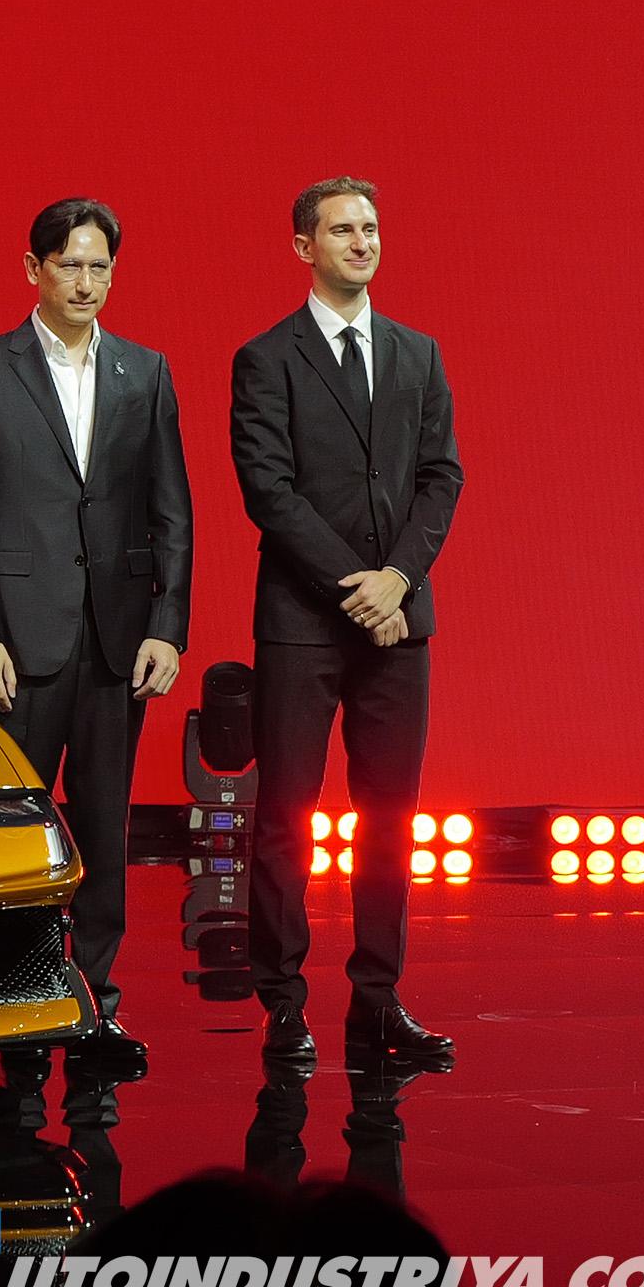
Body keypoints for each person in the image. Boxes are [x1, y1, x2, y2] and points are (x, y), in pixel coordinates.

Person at [0, 197, 194, 1070]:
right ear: (34, 269)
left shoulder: (144, 371)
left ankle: (96, 1005)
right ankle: (16, 1001)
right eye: (70, 265)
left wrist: (168, 626)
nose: (86, 283)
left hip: (119, 641)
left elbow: (173, 512)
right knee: (18, 832)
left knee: (104, 830)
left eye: (99, 267)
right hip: (19, 643)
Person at [230, 176, 462, 1069]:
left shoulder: (418, 353)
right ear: (304, 247)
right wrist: (356, 587)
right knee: (287, 816)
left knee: (390, 818)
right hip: (302, 621)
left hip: (400, 623)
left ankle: (378, 999)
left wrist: (397, 580)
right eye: (343, 230)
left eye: (371, 227)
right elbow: (269, 491)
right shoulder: (266, 358)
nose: (363, 242)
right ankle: (283, 1002)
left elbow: (441, 476)